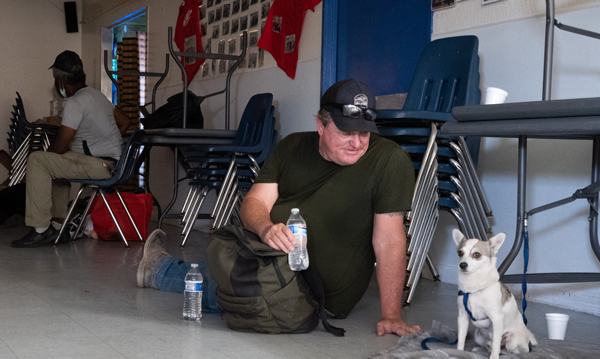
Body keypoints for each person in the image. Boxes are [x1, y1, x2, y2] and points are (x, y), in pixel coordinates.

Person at [138, 79, 421, 336]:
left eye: (364, 133)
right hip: (265, 257)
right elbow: (256, 202)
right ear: (321, 125)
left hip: (310, 293)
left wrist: (391, 315)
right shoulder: (294, 146)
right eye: (346, 131)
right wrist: (266, 228)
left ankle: (159, 269)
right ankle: (169, 269)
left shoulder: (389, 160)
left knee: (227, 286)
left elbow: (389, 239)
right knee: (225, 258)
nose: (357, 142)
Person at [12, 50, 131, 248]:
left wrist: (32, 170)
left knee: (37, 160)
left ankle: (41, 230)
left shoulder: (75, 102)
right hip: (112, 163)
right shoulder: (97, 95)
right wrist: (106, 142)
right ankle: (59, 227)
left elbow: (60, 145)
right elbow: (126, 121)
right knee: (55, 164)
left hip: (99, 164)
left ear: (60, 81)